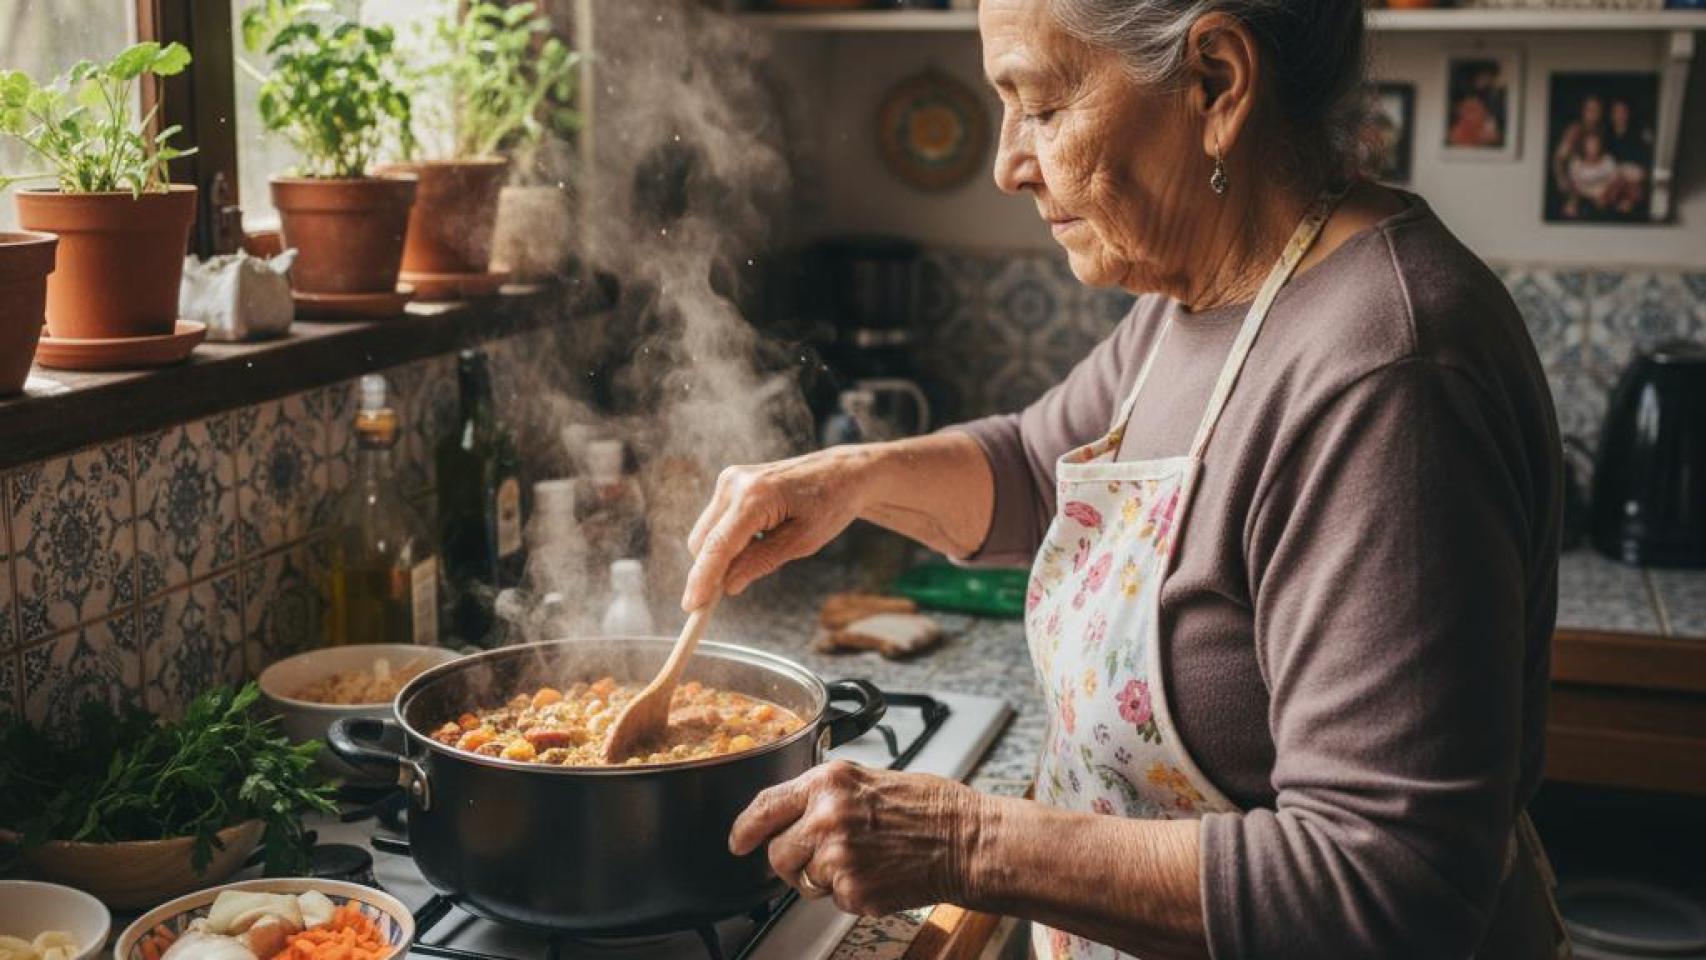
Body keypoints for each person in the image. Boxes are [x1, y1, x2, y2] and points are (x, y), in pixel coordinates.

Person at [682, 0, 1568, 956]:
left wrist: (964, 839)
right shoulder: (1203, 286)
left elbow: (1388, 884)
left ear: (1215, 83)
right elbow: (1035, 470)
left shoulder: (1386, 377)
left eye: (1043, 107)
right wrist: (845, 480)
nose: (1007, 164)